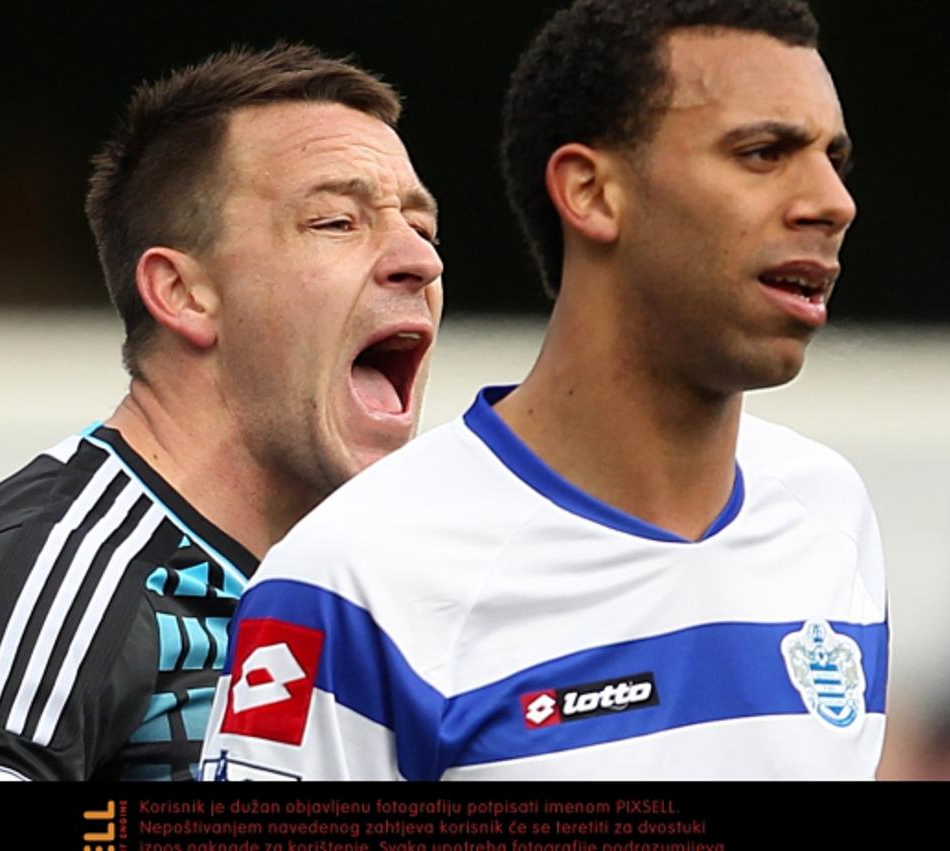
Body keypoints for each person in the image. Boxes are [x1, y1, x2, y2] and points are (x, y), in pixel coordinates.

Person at [201, 0, 886, 780]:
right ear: (591, 193)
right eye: (764, 152)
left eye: (836, 159)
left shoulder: (829, 514)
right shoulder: (351, 584)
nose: (833, 202)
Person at [0, 44, 444, 781]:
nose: (420, 260)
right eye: (336, 222)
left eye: (423, 227)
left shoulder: (360, 592)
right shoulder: (58, 570)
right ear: (183, 293)